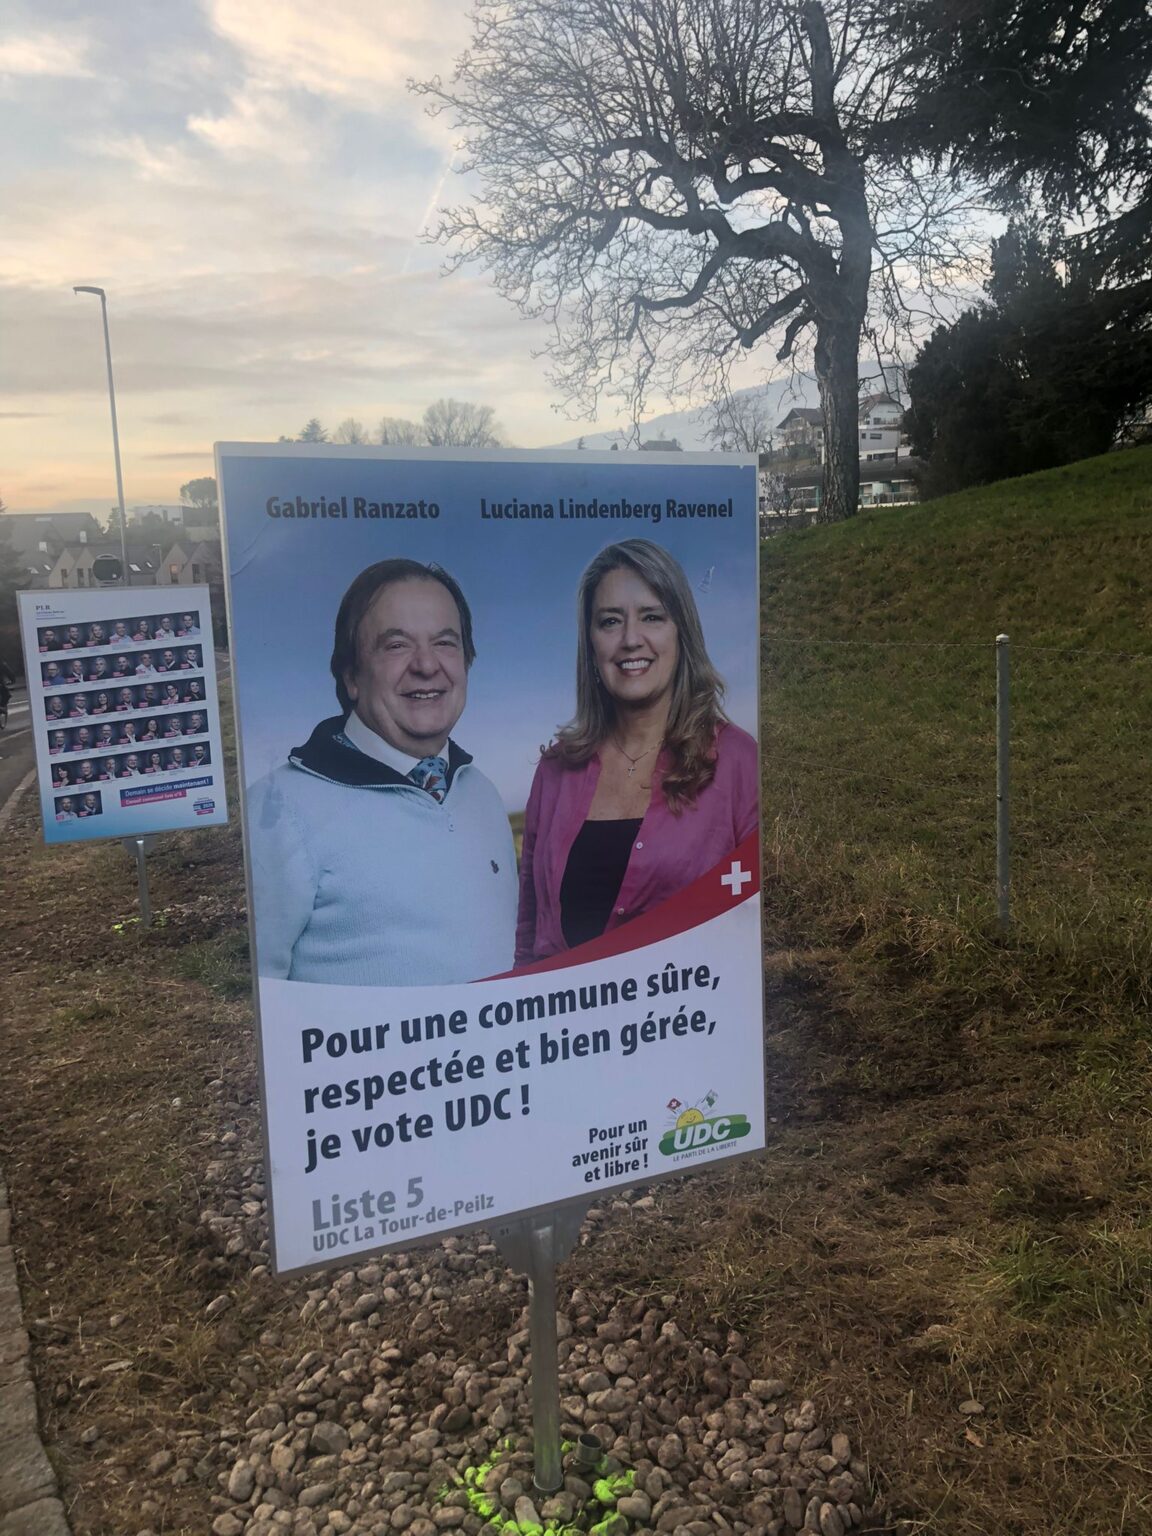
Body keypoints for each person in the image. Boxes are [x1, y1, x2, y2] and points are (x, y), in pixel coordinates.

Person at [248, 557, 516, 986]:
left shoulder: (481, 792)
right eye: (396, 645)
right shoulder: (277, 809)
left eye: (446, 643)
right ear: (351, 675)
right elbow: (255, 1007)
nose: (427, 665)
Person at [516, 539, 758, 966]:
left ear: (681, 630)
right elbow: (530, 930)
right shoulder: (554, 772)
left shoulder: (737, 762)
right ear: (590, 642)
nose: (631, 639)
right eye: (610, 621)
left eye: (652, 617)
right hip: (567, 1029)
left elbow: (757, 926)